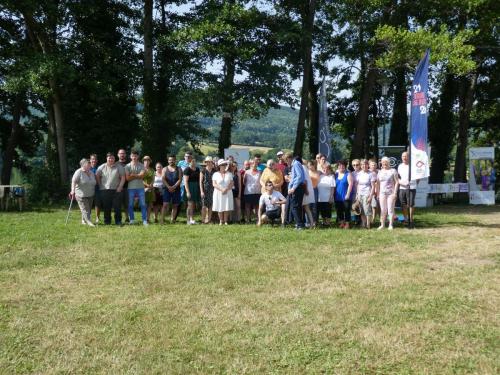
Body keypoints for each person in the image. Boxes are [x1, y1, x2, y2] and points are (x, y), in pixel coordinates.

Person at [95, 152, 125, 225]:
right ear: (107, 158)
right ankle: (107, 221)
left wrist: (120, 187)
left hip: (116, 190)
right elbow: (97, 176)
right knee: (106, 207)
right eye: (109, 158)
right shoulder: (101, 167)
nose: (111, 159)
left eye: (112, 158)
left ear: (114, 159)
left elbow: (123, 178)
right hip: (105, 190)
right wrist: (100, 185)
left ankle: (118, 221)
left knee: (117, 207)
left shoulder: (119, 167)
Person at [70, 158, 96, 226]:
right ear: (83, 165)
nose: (90, 165)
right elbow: (73, 181)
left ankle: (83, 220)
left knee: (89, 209)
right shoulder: (79, 172)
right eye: (88, 163)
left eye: (89, 163)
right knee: (85, 209)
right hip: (81, 195)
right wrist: (72, 190)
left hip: (90, 194)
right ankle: (89, 221)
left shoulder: (91, 172)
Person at [125, 150, 148, 226]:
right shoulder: (127, 166)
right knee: (130, 205)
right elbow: (127, 178)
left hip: (141, 188)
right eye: (132, 156)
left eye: (135, 156)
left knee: (143, 204)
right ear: (130, 156)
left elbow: (142, 176)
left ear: (138, 156)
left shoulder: (142, 165)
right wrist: (137, 175)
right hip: (130, 188)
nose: (134, 157)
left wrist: (133, 175)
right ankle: (131, 219)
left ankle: (144, 220)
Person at [377, 156, 399, 230]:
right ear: (381, 163)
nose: (384, 164)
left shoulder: (393, 171)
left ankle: (390, 225)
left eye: (386, 162)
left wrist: (395, 193)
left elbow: (397, 182)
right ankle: (382, 225)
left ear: (389, 163)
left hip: (391, 193)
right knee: (383, 209)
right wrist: (378, 193)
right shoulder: (380, 172)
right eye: (383, 162)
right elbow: (378, 183)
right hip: (382, 193)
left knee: (390, 209)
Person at [398, 151, 417, 229]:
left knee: (411, 204)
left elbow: (418, 177)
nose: (404, 158)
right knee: (403, 204)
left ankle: (411, 220)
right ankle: (405, 219)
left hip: (411, 188)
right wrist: (401, 183)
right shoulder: (400, 166)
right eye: (403, 156)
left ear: (409, 157)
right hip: (402, 188)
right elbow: (398, 177)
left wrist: (414, 184)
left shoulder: (413, 166)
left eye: (406, 156)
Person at [212, 159, 234, 225]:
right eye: (222, 165)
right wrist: (222, 189)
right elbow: (214, 184)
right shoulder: (215, 174)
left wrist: (226, 189)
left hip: (228, 192)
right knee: (219, 206)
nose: (224, 166)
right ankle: (221, 221)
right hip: (218, 192)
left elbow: (232, 183)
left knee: (226, 206)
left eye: (225, 164)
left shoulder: (229, 174)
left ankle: (226, 221)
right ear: (219, 166)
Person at [161, 155, 182, 224]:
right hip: (166, 189)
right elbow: (163, 179)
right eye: (170, 160)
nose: (171, 161)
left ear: (175, 160)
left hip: (176, 189)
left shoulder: (179, 169)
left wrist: (174, 187)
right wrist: (169, 187)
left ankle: (172, 220)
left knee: (175, 205)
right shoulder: (164, 169)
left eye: (172, 160)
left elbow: (180, 179)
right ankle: (162, 220)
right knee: (165, 204)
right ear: (168, 161)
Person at [356, 159, 376, 229]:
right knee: (361, 210)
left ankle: (368, 224)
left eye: (365, 164)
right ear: (361, 166)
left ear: (368, 165)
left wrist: (370, 196)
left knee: (367, 209)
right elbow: (358, 185)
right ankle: (363, 223)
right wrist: (357, 194)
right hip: (360, 194)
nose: (364, 166)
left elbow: (373, 186)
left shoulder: (371, 174)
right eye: (362, 164)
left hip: (367, 193)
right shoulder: (359, 174)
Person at [288, 155, 306, 230]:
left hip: (297, 188)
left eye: (287, 160)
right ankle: (299, 224)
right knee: (297, 207)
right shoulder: (297, 164)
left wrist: (293, 188)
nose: (287, 162)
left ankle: (300, 224)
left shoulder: (296, 163)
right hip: (298, 187)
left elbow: (299, 176)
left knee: (294, 207)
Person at [334, 160, 353, 229]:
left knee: (347, 210)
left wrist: (347, 194)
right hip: (337, 196)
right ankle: (342, 223)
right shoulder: (336, 174)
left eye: (343, 165)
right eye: (339, 165)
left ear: (345, 166)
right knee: (339, 210)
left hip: (346, 196)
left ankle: (347, 224)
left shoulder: (348, 174)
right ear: (337, 166)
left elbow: (351, 184)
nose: (341, 167)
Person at [243, 159, 262, 223]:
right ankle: (248, 219)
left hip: (257, 191)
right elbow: (244, 182)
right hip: (248, 191)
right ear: (250, 164)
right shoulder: (247, 172)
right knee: (247, 206)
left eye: (256, 163)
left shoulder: (260, 172)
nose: (254, 165)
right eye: (253, 163)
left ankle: (257, 219)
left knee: (257, 206)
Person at [183, 157, 200, 225]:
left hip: (196, 187)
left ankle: (192, 219)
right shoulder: (187, 169)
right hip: (189, 187)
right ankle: (188, 220)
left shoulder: (197, 169)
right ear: (190, 162)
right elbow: (185, 181)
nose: (194, 162)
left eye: (195, 161)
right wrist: (187, 192)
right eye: (192, 161)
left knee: (193, 205)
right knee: (189, 204)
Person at [200, 156, 215, 224]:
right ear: (205, 162)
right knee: (204, 206)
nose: (209, 163)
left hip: (213, 190)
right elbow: (200, 182)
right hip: (205, 190)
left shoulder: (214, 171)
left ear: (212, 162)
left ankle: (208, 220)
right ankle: (203, 220)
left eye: (210, 161)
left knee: (211, 205)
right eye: (207, 162)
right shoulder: (203, 171)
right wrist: (201, 191)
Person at [302, 160, 316, 228]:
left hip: (305, 190)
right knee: (307, 208)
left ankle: (309, 223)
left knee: (305, 208)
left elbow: (305, 181)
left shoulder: (302, 168)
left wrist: (306, 190)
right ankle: (311, 223)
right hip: (308, 189)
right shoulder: (306, 168)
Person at [117, 148, 129, 222]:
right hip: (118, 187)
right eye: (120, 153)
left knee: (127, 204)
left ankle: (127, 218)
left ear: (125, 154)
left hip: (128, 187)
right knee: (118, 204)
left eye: (123, 153)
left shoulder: (129, 164)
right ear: (118, 155)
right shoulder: (115, 164)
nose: (122, 155)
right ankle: (119, 218)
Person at [142, 155, 155, 223]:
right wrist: (147, 185)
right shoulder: (141, 168)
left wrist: (151, 185)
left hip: (150, 188)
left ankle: (148, 219)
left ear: (150, 161)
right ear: (143, 161)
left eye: (148, 160)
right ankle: (144, 219)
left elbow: (153, 178)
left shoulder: (152, 169)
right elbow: (140, 179)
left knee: (150, 204)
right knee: (144, 204)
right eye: (145, 160)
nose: (146, 161)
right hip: (143, 188)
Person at [89, 154, 101, 223]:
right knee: (89, 204)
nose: (94, 160)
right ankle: (88, 217)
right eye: (92, 159)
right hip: (89, 189)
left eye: (95, 159)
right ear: (90, 160)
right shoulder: (87, 168)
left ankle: (97, 218)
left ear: (97, 160)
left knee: (97, 204)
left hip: (97, 188)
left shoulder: (99, 168)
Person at [369, 159, 379, 224]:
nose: (373, 166)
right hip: (368, 191)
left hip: (377, 191)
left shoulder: (379, 172)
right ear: (369, 166)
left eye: (374, 165)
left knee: (374, 206)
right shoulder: (368, 172)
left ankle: (373, 219)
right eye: (372, 165)